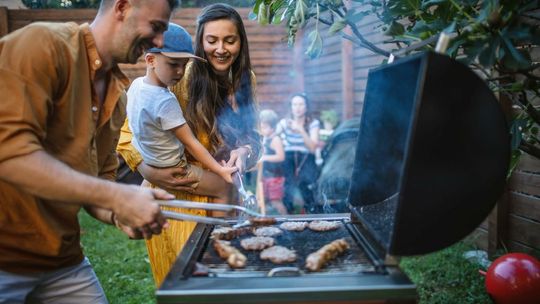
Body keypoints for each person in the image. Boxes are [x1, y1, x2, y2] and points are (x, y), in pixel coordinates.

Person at [0, 0, 179, 302]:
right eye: (157, 27)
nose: (160, 42)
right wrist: (118, 197)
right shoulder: (42, 45)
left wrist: (119, 214)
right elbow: (10, 153)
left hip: (62, 261)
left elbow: (99, 183)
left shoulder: (117, 96)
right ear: (122, 7)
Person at [117, 3, 261, 285]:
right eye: (212, 40)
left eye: (229, 40)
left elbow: (253, 137)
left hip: (226, 199)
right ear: (200, 42)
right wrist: (147, 169)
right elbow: (128, 134)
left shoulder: (247, 80)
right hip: (179, 198)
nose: (221, 49)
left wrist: (245, 152)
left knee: (225, 282)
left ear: (240, 42)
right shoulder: (180, 73)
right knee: (187, 286)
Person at [127, 22, 237, 204]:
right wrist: (220, 170)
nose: (180, 72)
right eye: (173, 64)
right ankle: (218, 231)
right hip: (175, 168)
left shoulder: (136, 85)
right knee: (224, 189)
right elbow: (191, 143)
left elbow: (134, 126)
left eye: (184, 64)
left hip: (150, 159)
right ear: (150, 60)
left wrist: (147, 166)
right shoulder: (165, 101)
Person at [275, 93, 320, 214]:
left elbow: (312, 148)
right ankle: (289, 212)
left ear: (306, 107)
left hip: (306, 156)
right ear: (291, 107)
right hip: (289, 156)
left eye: (301, 104)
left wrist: (300, 130)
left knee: (305, 183)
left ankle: (312, 212)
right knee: (288, 184)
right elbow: (272, 136)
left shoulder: (313, 123)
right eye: (295, 104)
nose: (297, 107)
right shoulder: (284, 122)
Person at [258, 109, 287, 215]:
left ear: (273, 127)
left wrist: (265, 157)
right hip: (266, 175)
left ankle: (286, 220)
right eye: (260, 127)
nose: (261, 130)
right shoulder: (265, 139)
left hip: (275, 177)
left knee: (275, 201)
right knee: (264, 200)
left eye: (264, 127)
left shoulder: (275, 139)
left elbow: (281, 156)